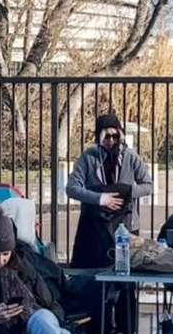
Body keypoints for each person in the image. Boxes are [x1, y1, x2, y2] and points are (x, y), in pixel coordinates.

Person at [65, 113, 154, 269]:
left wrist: (127, 191)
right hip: (94, 225)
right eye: (106, 136)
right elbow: (72, 188)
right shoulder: (88, 157)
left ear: (121, 135)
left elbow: (148, 186)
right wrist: (100, 198)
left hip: (125, 222)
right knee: (92, 273)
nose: (111, 141)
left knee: (125, 272)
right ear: (99, 137)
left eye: (115, 136)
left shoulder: (130, 157)